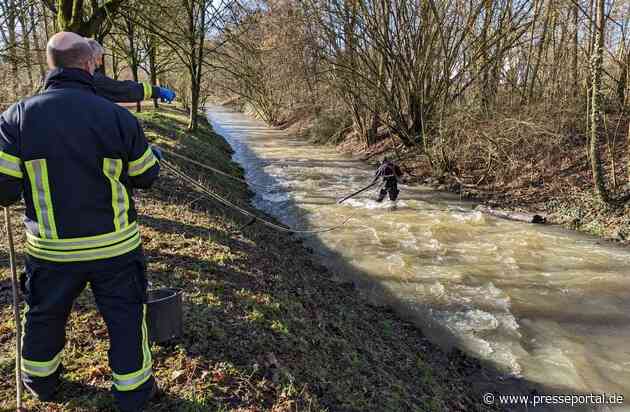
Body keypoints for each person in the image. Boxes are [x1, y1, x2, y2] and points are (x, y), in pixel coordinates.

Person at [0, 32, 160, 412]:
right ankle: (133, 394)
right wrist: (152, 153)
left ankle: (40, 382)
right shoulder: (117, 117)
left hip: (51, 250)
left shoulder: (15, 118)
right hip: (115, 247)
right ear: (88, 65)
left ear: (51, 64)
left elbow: (3, 192)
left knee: (43, 315)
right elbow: (146, 175)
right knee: (125, 319)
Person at [87, 39, 175, 104]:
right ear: (90, 58)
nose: (101, 63)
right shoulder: (92, 80)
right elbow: (123, 90)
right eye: (99, 59)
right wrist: (158, 91)